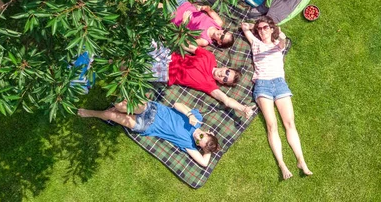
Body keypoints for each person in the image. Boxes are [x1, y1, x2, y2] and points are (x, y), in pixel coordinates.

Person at [241, 16, 313, 179]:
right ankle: (282, 164)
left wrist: (274, 29)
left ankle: (301, 160)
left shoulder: (278, 44)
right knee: (272, 125)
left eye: (265, 28)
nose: (261, 31)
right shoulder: (255, 42)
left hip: (280, 84)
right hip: (262, 84)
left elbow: (282, 37)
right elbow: (244, 26)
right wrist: (255, 26)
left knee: (289, 123)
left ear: (272, 28)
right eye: (259, 29)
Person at [78, 101, 219, 167]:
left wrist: (208, 149)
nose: (197, 139)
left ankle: (91, 113)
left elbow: (204, 163)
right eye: (202, 137)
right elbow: (177, 104)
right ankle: (118, 109)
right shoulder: (197, 119)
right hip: (152, 109)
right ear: (207, 132)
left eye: (199, 143)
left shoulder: (188, 145)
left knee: (109, 114)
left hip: (146, 125)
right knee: (120, 105)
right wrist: (189, 114)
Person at [149, 40, 256, 119]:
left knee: (136, 66)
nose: (223, 75)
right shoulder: (210, 57)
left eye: (225, 79)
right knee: (143, 41)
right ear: (226, 67)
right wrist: (176, 38)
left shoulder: (210, 85)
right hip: (168, 56)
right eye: (227, 72)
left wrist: (243, 108)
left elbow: (226, 100)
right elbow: (190, 47)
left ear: (221, 82)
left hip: (165, 73)